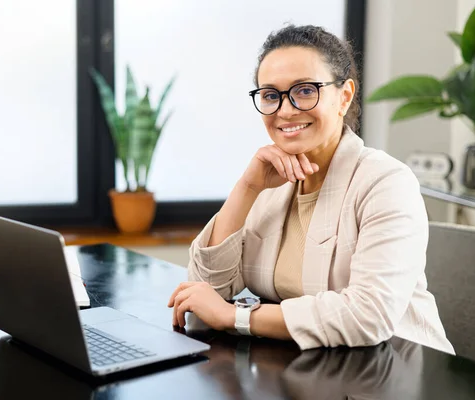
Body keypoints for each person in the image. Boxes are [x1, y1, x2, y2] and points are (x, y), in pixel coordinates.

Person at [167, 24, 454, 354]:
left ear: (344, 96)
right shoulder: (269, 183)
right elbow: (207, 289)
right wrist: (247, 187)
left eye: (304, 90)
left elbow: (367, 316)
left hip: (397, 371)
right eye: (271, 95)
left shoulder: (386, 183)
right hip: (310, 368)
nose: (286, 110)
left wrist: (236, 316)